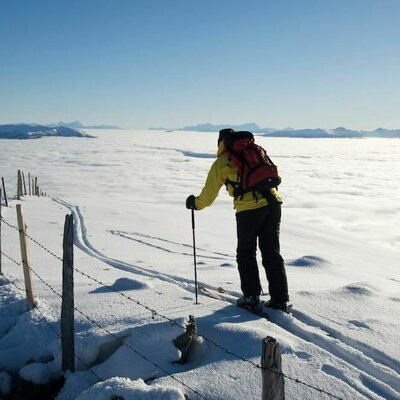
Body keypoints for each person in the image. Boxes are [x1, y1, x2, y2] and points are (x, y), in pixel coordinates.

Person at [186, 128, 289, 312]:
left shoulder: (223, 162)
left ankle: (251, 298)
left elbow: (208, 196)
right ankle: (280, 300)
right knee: (272, 253)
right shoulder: (256, 150)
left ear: (221, 143)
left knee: (246, 253)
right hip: (274, 204)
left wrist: (195, 204)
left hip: (249, 210)